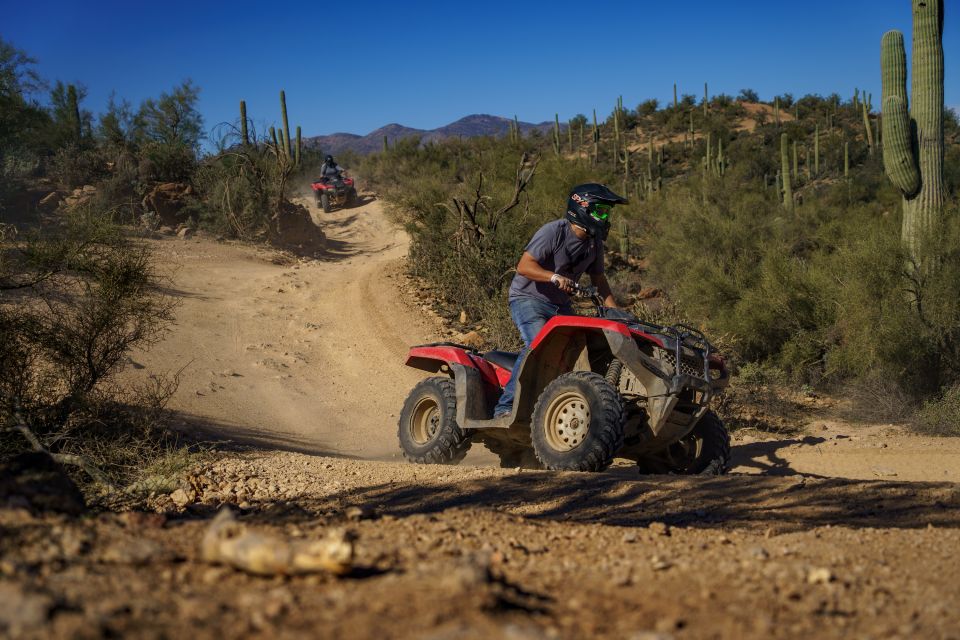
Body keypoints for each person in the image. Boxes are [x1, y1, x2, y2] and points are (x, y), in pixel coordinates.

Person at [492, 183, 628, 419]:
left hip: (560, 307)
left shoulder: (594, 244)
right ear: (583, 208)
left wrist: (615, 313)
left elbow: (599, 279)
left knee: (577, 351)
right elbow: (524, 266)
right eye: (602, 212)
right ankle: (505, 407)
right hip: (528, 299)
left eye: (608, 213)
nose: (606, 218)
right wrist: (553, 277)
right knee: (538, 346)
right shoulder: (554, 231)